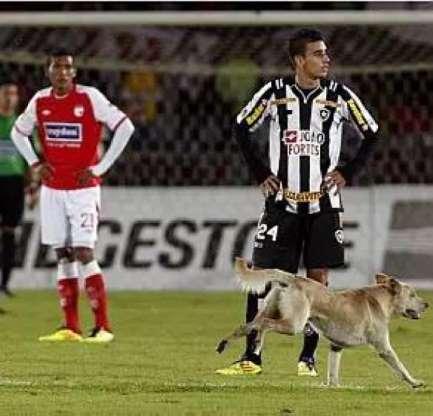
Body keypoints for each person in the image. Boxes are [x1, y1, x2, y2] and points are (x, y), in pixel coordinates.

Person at [216, 28, 379, 376]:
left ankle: (307, 358)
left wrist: (348, 170)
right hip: (281, 204)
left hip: (323, 205)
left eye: (326, 53)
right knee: (263, 279)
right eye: (318, 53)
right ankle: (251, 356)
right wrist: (261, 171)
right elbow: (241, 126)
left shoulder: (339, 96)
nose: (326, 59)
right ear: (299, 60)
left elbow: (373, 132)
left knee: (317, 282)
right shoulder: (275, 94)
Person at [11, 49, 135, 343]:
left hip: (83, 191)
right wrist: (34, 163)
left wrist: (100, 167)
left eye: (68, 67)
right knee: (62, 253)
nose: (63, 72)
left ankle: (103, 327)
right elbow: (18, 133)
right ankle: (71, 327)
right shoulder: (40, 101)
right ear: (48, 71)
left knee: (83, 252)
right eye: (57, 67)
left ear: (74, 72)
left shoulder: (90, 98)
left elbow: (125, 127)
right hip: (53, 190)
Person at [0, 78, 34, 297]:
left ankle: (4, 284)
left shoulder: (23, 125)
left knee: (10, 234)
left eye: (13, 93)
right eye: (5, 93)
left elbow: (31, 158)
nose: (10, 97)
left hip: (14, 183)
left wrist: (32, 186)